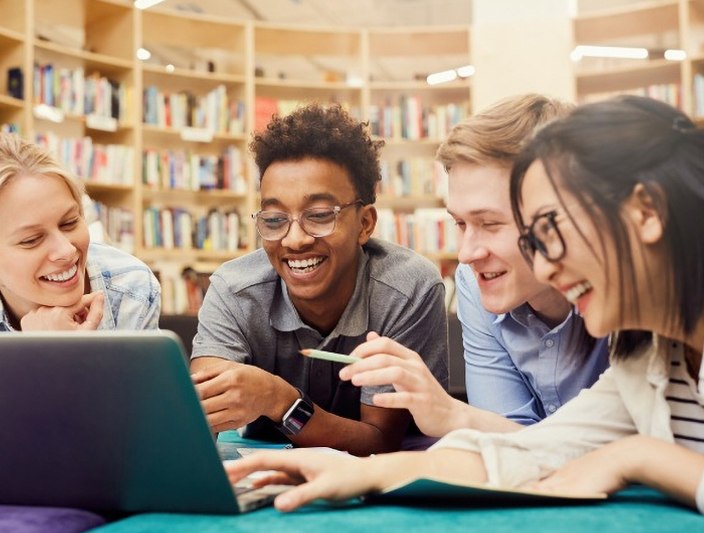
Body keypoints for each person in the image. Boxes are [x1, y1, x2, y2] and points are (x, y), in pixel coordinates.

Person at [225, 96, 704, 514]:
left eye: (549, 229)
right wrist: (366, 475)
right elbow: (539, 450)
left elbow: (605, 453)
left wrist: (639, 457)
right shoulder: (646, 358)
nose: (547, 263)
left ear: (645, 212)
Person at [336, 94, 609, 440]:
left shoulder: (628, 294)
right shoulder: (473, 280)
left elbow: (634, 448)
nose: (465, 254)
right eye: (461, 224)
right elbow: (512, 440)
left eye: (490, 224)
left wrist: (453, 415)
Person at [190, 104, 448, 456]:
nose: (295, 240)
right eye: (275, 218)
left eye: (320, 215)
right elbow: (198, 424)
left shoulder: (408, 289)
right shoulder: (234, 290)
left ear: (365, 224)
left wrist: (278, 399)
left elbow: (378, 441)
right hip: (270, 480)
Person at [0, 132, 160, 466]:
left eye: (71, 222)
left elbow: (135, 451)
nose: (66, 250)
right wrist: (39, 361)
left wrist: (70, 362)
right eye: (31, 240)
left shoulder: (131, 289)